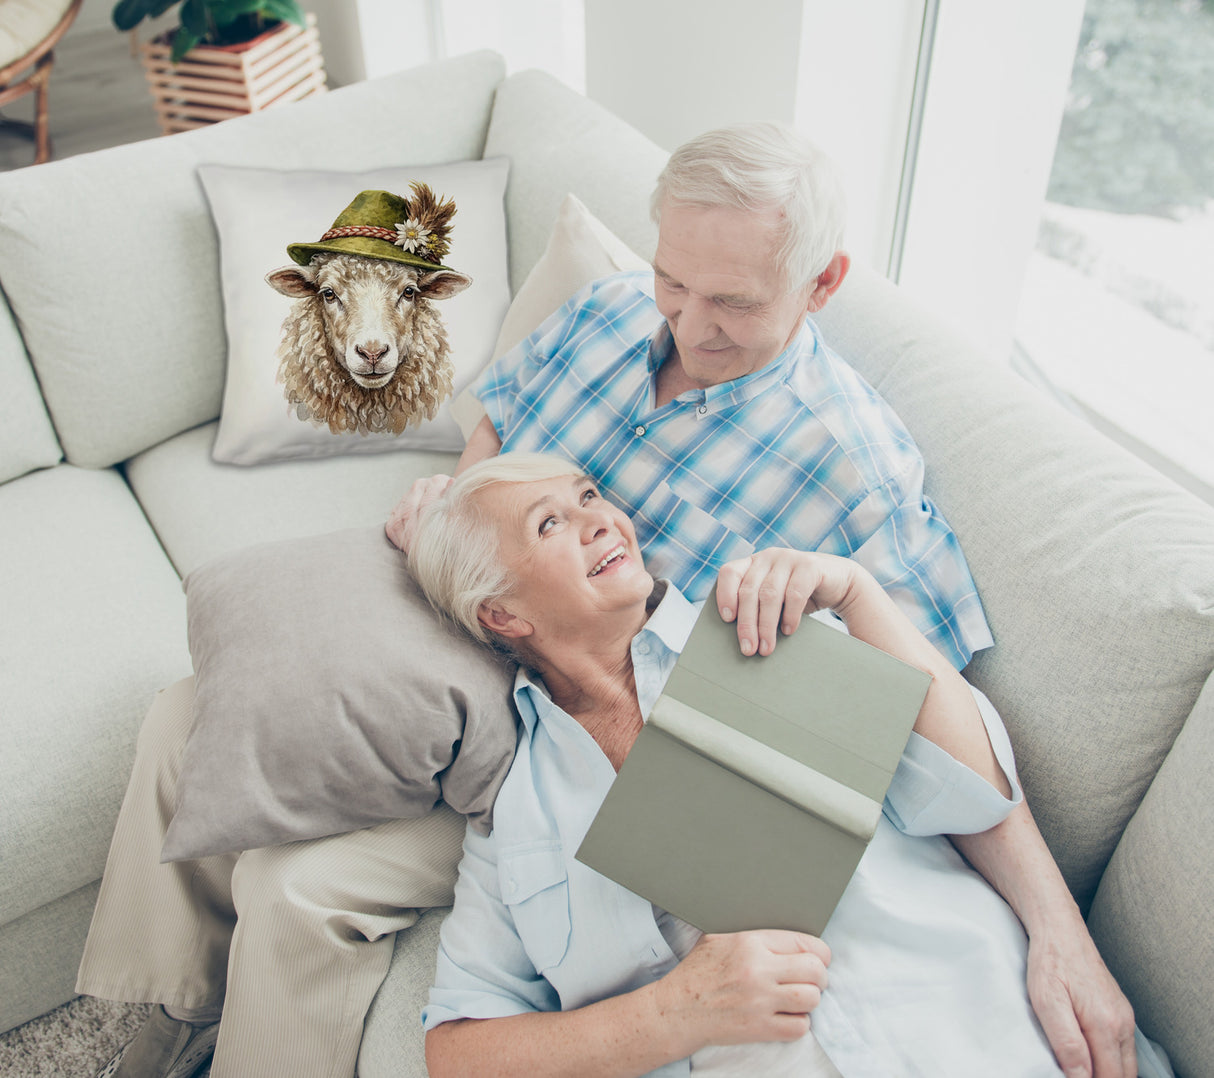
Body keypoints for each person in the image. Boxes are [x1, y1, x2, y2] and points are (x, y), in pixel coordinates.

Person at [79, 124, 1132, 1078]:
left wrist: (1058, 928)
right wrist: (458, 507)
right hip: (485, 609)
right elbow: (498, 423)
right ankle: (159, 1013)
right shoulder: (608, 311)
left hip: (576, 715)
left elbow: (926, 719)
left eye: (732, 302)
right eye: (675, 280)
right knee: (192, 710)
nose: (687, 322)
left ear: (820, 284)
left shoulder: (854, 472)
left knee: (300, 887)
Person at [407, 452, 1157, 1078]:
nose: (601, 518)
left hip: (987, 1029)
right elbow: (457, 1050)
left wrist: (858, 594)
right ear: (502, 614)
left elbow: (972, 793)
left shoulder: (761, 625)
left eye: (589, 496)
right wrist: (672, 1014)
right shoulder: (516, 816)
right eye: (550, 523)